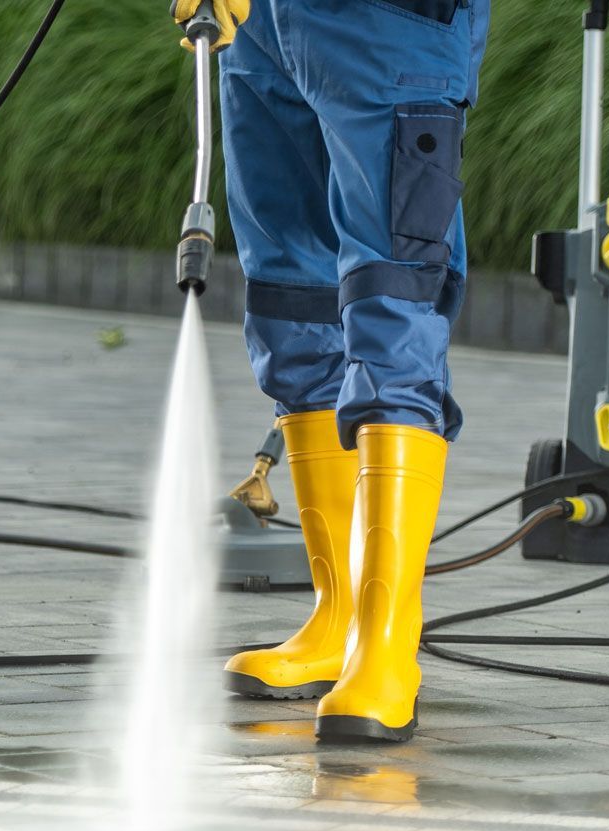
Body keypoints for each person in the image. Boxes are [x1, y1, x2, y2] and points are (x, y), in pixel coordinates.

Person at [176, 0, 491, 743]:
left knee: (394, 296)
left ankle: (386, 644)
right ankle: (339, 613)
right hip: (266, 26)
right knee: (291, 300)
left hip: (389, 23)